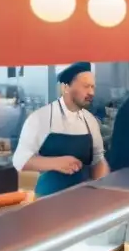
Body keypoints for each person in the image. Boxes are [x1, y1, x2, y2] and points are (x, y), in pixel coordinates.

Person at [13, 62, 109, 197]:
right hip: (48, 198)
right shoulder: (40, 118)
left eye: (93, 87)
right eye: (86, 87)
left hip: (84, 197)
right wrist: (55, 163)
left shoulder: (90, 121)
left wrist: (102, 188)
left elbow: (98, 159)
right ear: (65, 88)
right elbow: (20, 160)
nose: (91, 92)